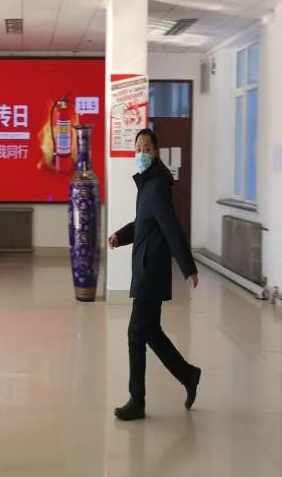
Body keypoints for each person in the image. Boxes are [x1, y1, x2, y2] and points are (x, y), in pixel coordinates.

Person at [108, 128, 201, 421]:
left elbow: (170, 226)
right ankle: (188, 374)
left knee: (136, 333)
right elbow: (144, 223)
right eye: (138, 148)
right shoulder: (147, 183)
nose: (141, 153)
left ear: (156, 151)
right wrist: (121, 235)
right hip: (147, 267)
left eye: (146, 148)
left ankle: (137, 400)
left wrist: (188, 267)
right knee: (150, 332)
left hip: (151, 271)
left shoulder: (157, 184)